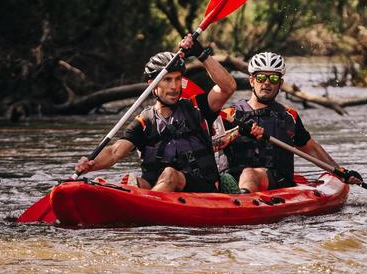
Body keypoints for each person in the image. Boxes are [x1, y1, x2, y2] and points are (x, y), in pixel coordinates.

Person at [75, 34, 237, 192]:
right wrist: (89, 164)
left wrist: (202, 55)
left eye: (178, 79)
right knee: (132, 181)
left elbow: (228, 87)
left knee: (169, 174)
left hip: (202, 187)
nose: (174, 86)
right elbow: (114, 152)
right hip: (159, 188)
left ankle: (142, 208)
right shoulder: (144, 121)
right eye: (167, 80)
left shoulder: (197, 107)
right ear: (152, 84)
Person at [221, 52, 347, 192]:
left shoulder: (288, 116)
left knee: (249, 173)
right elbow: (212, 144)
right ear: (252, 80)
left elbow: (311, 149)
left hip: (277, 181)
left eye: (273, 78)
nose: (267, 82)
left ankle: (243, 202)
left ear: (280, 83)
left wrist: (340, 171)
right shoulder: (230, 115)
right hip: (232, 179)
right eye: (261, 77)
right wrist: (236, 132)